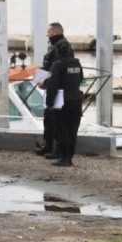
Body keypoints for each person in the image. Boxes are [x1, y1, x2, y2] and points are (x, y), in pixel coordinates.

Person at [45, 39, 83, 167]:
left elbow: (52, 86)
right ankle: (70, 157)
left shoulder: (57, 65)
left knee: (62, 130)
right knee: (73, 130)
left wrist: (49, 103)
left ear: (57, 51)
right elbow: (81, 79)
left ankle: (64, 158)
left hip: (63, 101)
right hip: (76, 100)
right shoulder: (77, 63)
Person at [35, 22, 69, 156]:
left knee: (55, 120)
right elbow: (49, 66)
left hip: (57, 89)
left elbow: (57, 70)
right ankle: (48, 145)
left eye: (48, 32)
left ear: (55, 32)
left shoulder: (62, 46)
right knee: (48, 119)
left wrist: (46, 82)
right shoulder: (55, 46)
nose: (47, 35)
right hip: (51, 86)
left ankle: (55, 149)